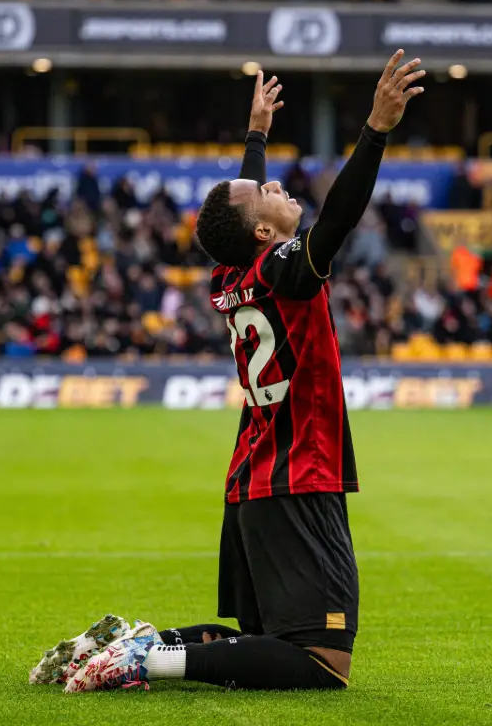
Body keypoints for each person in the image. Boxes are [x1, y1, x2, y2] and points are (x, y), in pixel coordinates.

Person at [62, 51, 425, 692]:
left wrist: (256, 136)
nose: (276, 186)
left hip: (255, 479)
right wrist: (376, 129)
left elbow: (240, 217)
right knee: (321, 662)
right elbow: (336, 220)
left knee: (265, 643)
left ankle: (132, 645)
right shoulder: (285, 271)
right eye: (267, 190)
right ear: (264, 230)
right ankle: (145, 660)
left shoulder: (232, 274)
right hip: (300, 476)